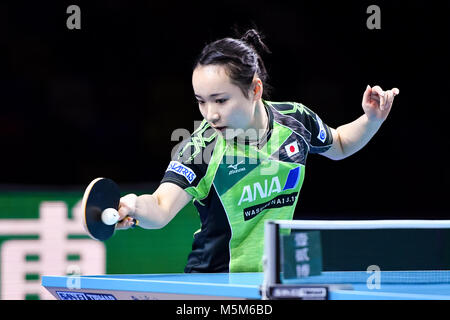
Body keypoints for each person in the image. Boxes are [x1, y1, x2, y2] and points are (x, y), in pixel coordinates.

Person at [117, 29, 399, 273]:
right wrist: (133, 206)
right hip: (214, 282)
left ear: (255, 89)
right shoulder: (200, 148)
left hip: (273, 277)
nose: (210, 115)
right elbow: (161, 207)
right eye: (201, 102)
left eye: (220, 100)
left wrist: (371, 119)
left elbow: (338, 144)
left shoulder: (296, 121)